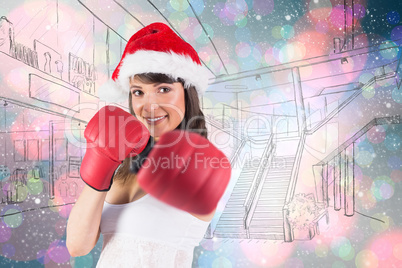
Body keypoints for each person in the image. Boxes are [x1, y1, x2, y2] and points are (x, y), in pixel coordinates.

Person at [66, 22, 231, 267]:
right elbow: (77, 246)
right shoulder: (121, 164)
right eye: (138, 92)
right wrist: (99, 167)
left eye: (163, 89)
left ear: (187, 93)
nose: (149, 105)